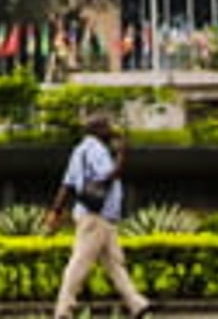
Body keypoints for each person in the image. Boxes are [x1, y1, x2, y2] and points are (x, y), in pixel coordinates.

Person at [44, 114, 153, 319]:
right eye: (107, 127)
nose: (111, 130)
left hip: (97, 216)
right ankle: (63, 310)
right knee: (80, 262)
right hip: (97, 216)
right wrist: (122, 154)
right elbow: (108, 175)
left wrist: (55, 211)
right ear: (97, 130)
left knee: (114, 262)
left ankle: (137, 304)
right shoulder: (96, 149)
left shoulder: (80, 150)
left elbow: (67, 185)